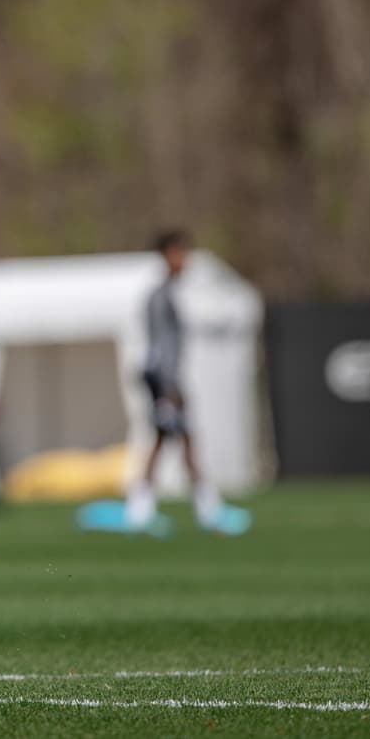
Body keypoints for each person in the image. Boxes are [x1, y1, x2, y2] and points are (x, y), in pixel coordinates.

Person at [125, 230, 250, 536]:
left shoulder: (169, 292)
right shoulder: (160, 295)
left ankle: (150, 507)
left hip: (164, 378)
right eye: (180, 253)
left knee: (168, 439)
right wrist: (169, 387)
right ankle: (202, 509)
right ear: (167, 254)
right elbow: (159, 347)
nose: (185, 259)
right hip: (162, 379)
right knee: (180, 440)